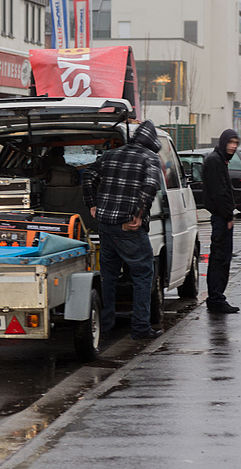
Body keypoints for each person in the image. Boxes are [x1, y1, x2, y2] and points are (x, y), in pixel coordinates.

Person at [83, 119, 163, 340]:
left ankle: (107, 324)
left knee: (108, 276)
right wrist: (138, 215)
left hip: (105, 225)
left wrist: (92, 204)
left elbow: (88, 176)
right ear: (152, 141)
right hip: (129, 226)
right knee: (143, 274)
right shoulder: (150, 158)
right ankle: (140, 328)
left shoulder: (111, 155)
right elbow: (150, 187)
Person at [202, 129, 241, 314]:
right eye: (231, 142)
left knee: (222, 258)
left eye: (236, 143)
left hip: (223, 217)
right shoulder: (215, 161)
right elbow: (218, 193)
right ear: (223, 142)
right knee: (220, 259)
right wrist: (227, 216)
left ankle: (217, 297)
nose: (233, 146)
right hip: (221, 219)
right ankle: (216, 298)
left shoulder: (219, 160)